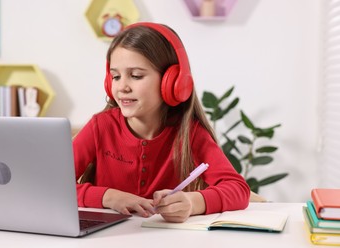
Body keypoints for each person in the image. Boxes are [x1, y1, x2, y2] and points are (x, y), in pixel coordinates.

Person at [72, 22, 250, 223]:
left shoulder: (189, 134)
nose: (122, 87)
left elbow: (238, 189)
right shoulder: (100, 127)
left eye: (136, 76)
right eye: (115, 76)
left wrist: (193, 202)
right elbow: (51, 184)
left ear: (173, 81)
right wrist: (108, 197)